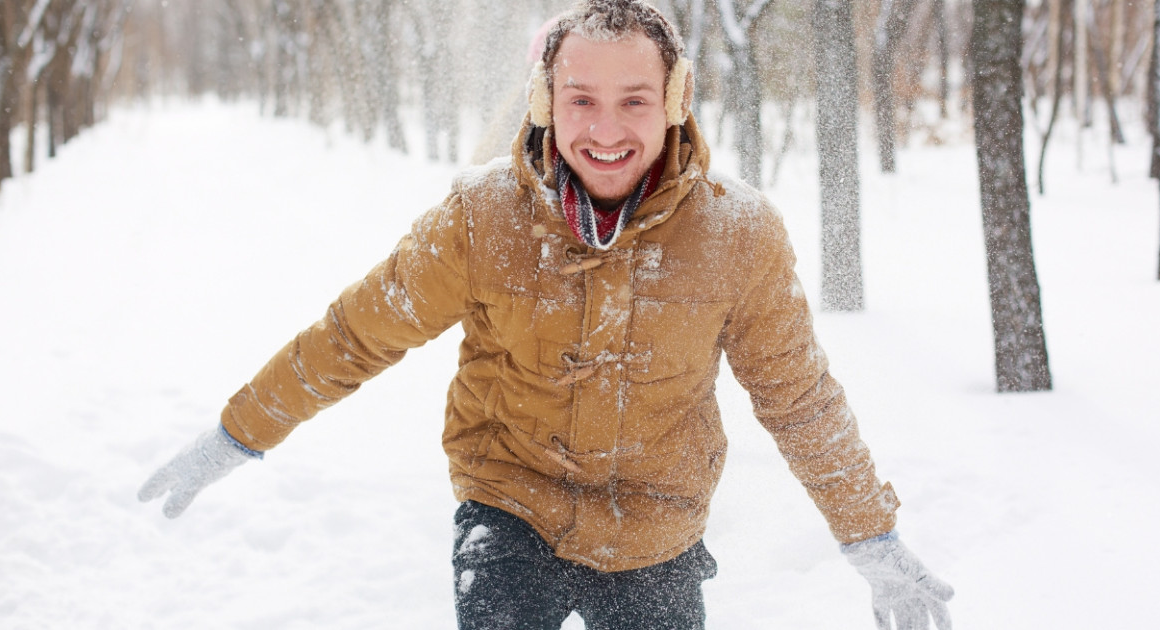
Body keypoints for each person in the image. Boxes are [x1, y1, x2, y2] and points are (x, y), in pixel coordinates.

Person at [139, 1, 954, 628]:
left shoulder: (736, 235)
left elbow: (797, 395)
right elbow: (357, 335)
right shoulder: (481, 219)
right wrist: (238, 433)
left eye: (634, 100)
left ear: (674, 100)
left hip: (658, 529)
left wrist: (867, 533)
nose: (604, 130)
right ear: (545, 99)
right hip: (511, 505)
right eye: (580, 99)